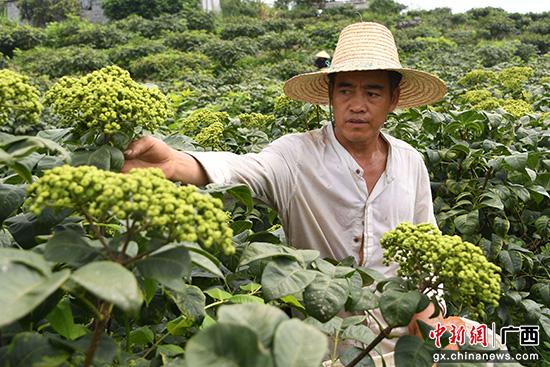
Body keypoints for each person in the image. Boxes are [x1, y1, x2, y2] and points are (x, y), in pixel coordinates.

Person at [123, 22, 447, 359]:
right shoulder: (296, 155)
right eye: (346, 90)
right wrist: (175, 163)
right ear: (330, 95)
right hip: (318, 351)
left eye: (373, 93)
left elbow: (429, 254)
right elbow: (245, 169)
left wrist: (433, 320)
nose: (357, 105)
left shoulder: (411, 163)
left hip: (398, 349)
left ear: (393, 99)